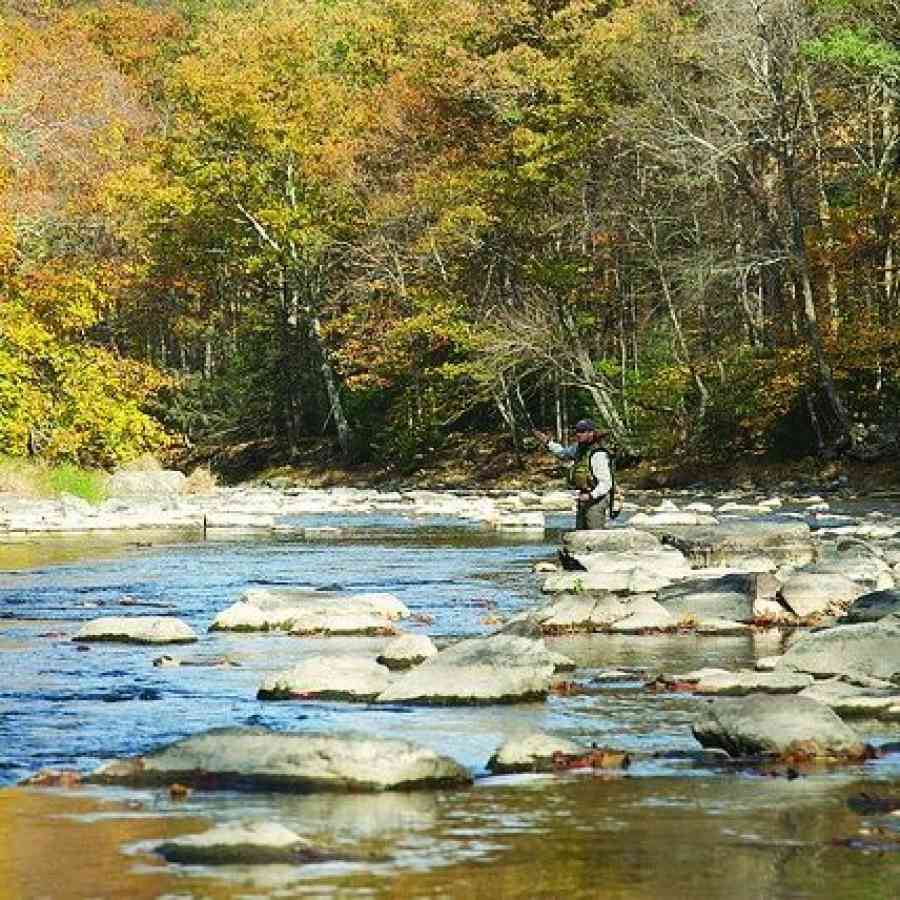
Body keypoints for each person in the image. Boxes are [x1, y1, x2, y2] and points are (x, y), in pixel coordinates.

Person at [533, 419, 613, 530]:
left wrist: (591, 496)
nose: (578, 434)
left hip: (597, 500)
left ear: (591, 433)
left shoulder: (598, 453)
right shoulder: (579, 448)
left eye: (582, 431)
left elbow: (606, 483)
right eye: (577, 431)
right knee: (580, 535)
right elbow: (562, 453)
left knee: (594, 537)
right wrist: (547, 442)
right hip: (585, 497)